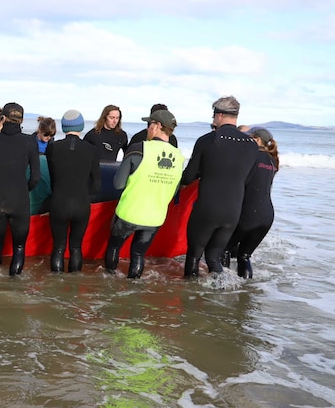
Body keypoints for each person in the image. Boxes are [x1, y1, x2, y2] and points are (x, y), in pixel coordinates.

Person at [181, 96, 258, 277]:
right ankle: (221, 297)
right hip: (233, 211)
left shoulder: (207, 140)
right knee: (214, 257)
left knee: (194, 254)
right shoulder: (252, 146)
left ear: (220, 115)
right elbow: (248, 180)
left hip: (207, 208)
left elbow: (189, 176)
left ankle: (190, 298)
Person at [104, 109, 184, 278]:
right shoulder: (179, 157)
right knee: (138, 255)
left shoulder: (138, 149)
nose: (147, 129)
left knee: (114, 248)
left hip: (129, 213)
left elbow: (118, 184)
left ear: (157, 126)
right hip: (155, 217)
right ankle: (133, 291)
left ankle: (109, 283)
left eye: (150, 125)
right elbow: (174, 190)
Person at [0, 102, 41, 276]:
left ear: (3, 117)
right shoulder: (30, 142)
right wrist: (24, 188)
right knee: (19, 246)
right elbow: (36, 177)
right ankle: (15, 287)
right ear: (21, 119)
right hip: (20, 200)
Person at [46, 110, 101, 272]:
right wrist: (82, 192)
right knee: (76, 247)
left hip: (58, 202)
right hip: (81, 204)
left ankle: (56, 286)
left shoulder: (53, 148)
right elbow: (97, 186)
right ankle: (74, 288)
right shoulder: (91, 150)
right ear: (81, 126)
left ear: (63, 127)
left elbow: (52, 179)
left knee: (58, 247)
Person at [221, 127, 279, 278]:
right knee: (244, 256)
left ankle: (222, 288)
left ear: (257, 140)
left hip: (248, 214)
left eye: (249, 138)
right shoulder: (272, 161)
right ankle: (245, 292)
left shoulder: (251, 156)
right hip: (267, 216)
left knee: (224, 249)